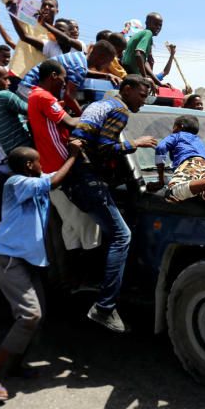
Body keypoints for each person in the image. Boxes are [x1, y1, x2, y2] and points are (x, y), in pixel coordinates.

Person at [0, 143, 81, 402]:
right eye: (38, 161)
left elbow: (57, 174)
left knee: (37, 316)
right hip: (8, 258)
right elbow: (55, 180)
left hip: (27, 260)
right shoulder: (16, 182)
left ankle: (13, 365)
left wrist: (77, 156)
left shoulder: (36, 179)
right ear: (28, 166)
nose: (41, 165)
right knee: (29, 316)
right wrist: (74, 155)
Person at [68, 75, 158, 332]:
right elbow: (105, 147)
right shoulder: (120, 110)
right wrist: (136, 143)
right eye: (142, 94)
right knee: (122, 236)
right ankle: (104, 307)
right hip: (89, 177)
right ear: (127, 89)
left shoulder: (101, 104)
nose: (144, 100)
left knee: (112, 233)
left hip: (79, 177)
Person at [0, 0, 73, 76]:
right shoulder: (29, 18)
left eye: (51, 5)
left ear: (57, 10)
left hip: (36, 82)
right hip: (16, 75)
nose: (46, 7)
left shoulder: (58, 34)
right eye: (43, 5)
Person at [26, 59, 79, 174]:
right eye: (63, 79)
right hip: (59, 159)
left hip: (49, 160)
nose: (64, 83)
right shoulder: (44, 97)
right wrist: (91, 115)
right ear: (54, 75)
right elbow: (69, 123)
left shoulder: (35, 94)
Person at [0, 60, 33, 155]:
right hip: (27, 148)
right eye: (5, 79)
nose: (9, 82)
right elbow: (33, 111)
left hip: (12, 155)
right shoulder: (4, 96)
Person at [120, 12, 166, 87]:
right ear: (147, 23)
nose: (158, 27)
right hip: (131, 73)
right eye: (155, 24)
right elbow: (138, 54)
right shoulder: (148, 33)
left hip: (129, 72)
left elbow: (144, 62)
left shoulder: (143, 34)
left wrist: (159, 83)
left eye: (160, 25)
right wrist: (144, 78)